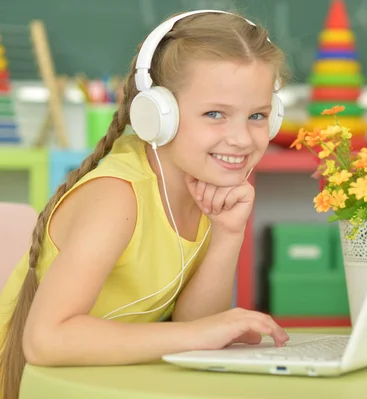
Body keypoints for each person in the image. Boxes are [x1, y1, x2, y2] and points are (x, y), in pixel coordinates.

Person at [0, 10, 291, 398]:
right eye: (215, 114)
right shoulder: (117, 197)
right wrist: (194, 333)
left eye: (257, 115)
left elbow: (197, 326)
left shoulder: (202, 186)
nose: (241, 138)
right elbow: (45, 340)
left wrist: (226, 233)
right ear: (158, 114)